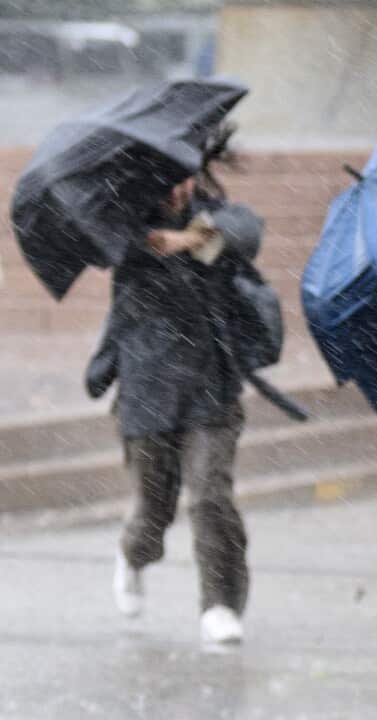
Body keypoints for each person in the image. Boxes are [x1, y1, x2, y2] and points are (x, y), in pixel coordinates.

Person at [90, 129, 272, 646]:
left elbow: (246, 229)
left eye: (184, 174)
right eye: (164, 178)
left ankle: (220, 603)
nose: (177, 187)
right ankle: (132, 555)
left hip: (210, 383)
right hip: (147, 388)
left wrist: (195, 236)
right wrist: (152, 241)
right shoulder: (124, 229)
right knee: (154, 512)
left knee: (210, 495)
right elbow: (109, 242)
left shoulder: (212, 215)